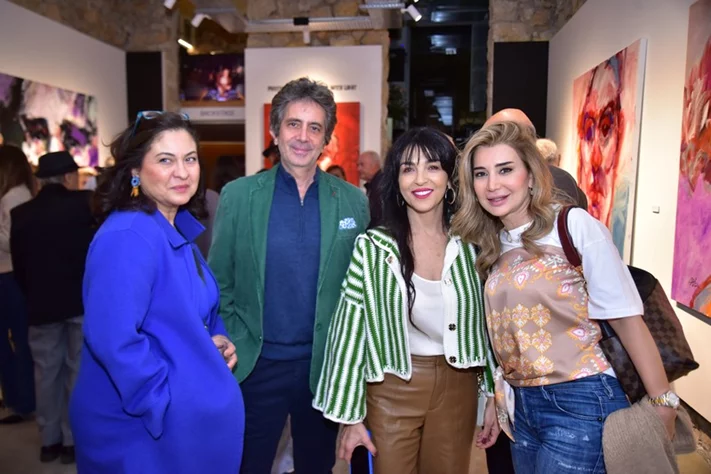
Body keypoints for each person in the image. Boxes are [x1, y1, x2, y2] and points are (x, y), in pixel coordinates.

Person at [452, 121, 678, 474]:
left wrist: (663, 400)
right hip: (522, 406)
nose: (492, 184)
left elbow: (625, 318)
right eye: (481, 174)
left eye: (505, 170)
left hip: (582, 398)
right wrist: (496, 399)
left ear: (530, 176)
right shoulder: (492, 243)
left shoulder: (573, 226)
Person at [314, 127, 499, 473]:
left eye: (433, 167)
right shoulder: (373, 248)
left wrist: (494, 395)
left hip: (457, 388)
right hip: (390, 389)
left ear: (450, 178)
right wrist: (350, 418)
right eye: (408, 168)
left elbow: (487, 326)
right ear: (396, 181)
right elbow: (349, 332)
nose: (420, 179)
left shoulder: (471, 246)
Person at [209, 77, 369, 474]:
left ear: (326, 138)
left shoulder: (353, 201)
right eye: (293, 124)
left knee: (316, 466)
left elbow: (362, 292)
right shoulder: (238, 196)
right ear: (275, 131)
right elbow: (219, 282)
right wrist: (232, 339)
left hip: (323, 368)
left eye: (315, 127)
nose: (303, 136)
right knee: (248, 465)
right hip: (255, 364)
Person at [69, 111, 244, 473]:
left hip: (173, 427)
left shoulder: (174, 228)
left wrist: (215, 339)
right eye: (165, 160)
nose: (182, 172)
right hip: (139, 432)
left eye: (190, 159)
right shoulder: (128, 236)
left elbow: (193, 311)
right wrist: (162, 401)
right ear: (135, 170)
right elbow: (113, 339)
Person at [10, 151, 95, 464]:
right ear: (69, 177)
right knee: (76, 370)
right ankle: (72, 440)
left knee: (45, 373)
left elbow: (19, 266)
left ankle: (49, 441)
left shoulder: (21, 214)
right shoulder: (85, 205)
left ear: (40, 181)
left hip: (41, 304)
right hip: (78, 301)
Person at [487, 109, 588, 214]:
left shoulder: (556, 182)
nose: (491, 186)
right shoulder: (562, 180)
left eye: (489, 137)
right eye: (480, 174)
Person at [0, 145, 35, 425]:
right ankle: (16, 398)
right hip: (9, 276)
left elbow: (12, 240)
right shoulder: (17, 194)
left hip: (10, 276)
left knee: (19, 342)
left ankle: (20, 400)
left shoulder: (14, 196)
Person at [357, 150, 384, 227]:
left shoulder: (383, 185)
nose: (358, 169)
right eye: (358, 165)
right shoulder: (373, 185)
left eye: (362, 165)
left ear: (375, 165)